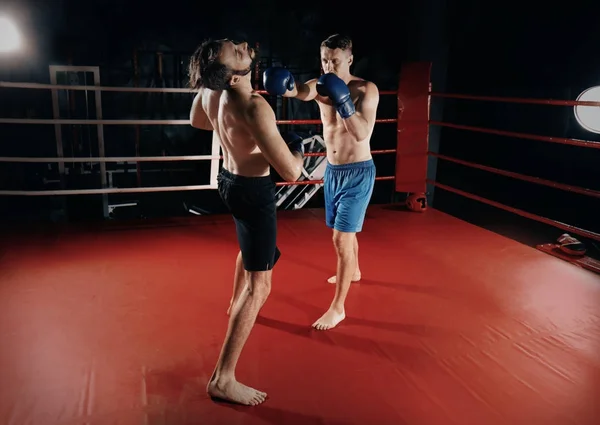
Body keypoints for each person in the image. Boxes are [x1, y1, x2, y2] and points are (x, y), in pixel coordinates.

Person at [188, 38, 305, 406]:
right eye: (237, 52)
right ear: (235, 76)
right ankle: (222, 378)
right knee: (261, 286)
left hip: (228, 181)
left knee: (256, 249)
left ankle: (233, 305)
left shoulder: (211, 91)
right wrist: (296, 145)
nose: (243, 46)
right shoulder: (255, 106)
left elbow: (197, 122)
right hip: (253, 192)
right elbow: (291, 172)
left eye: (235, 44)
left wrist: (239, 136)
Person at [263, 34, 379, 331]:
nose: (329, 66)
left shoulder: (366, 89)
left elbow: (361, 134)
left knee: (341, 239)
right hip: (333, 172)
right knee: (344, 236)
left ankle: (338, 308)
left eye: (335, 61)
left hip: (358, 172)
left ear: (350, 59)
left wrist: (343, 102)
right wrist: (285, 86)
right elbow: (300, 91)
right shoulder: (320, 84)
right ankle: (353, 271)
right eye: (325, 59)